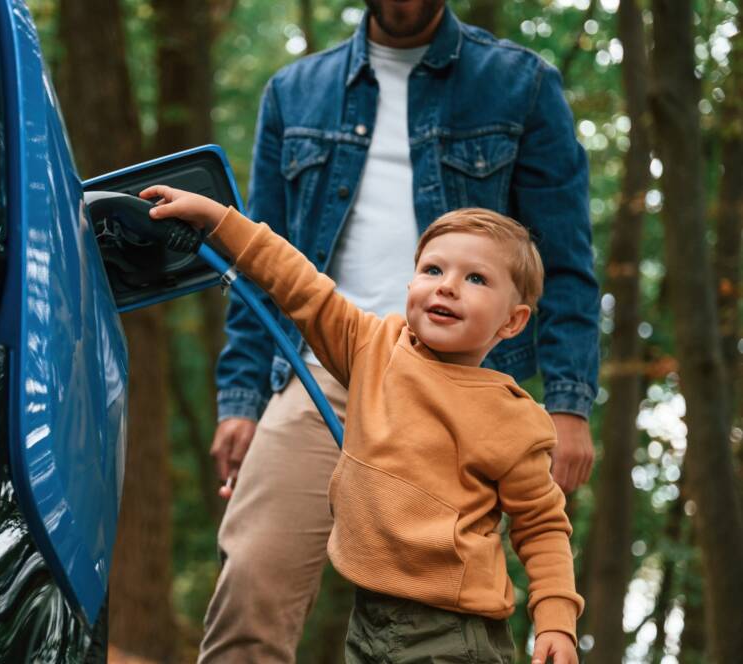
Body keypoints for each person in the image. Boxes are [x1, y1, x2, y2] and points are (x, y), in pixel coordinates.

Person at [205, 1, 599, 660]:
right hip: (325, 366)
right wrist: (242, 398)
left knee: (433, 615)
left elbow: (563, 257)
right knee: (252, 578)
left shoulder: (520, 85)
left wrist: (568, 401)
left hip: (461, 389)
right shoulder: (295, 92)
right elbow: (270, 270)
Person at [142, 184, 584, 664]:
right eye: (432, 269)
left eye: (476, 279)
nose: (447, 285)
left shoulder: (512, 418)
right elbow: (299, 283)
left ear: (513, 322)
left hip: (454, 633)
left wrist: (556, 620)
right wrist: (218, 219)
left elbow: (541, 526)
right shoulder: (373, 348)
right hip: (371, 620)